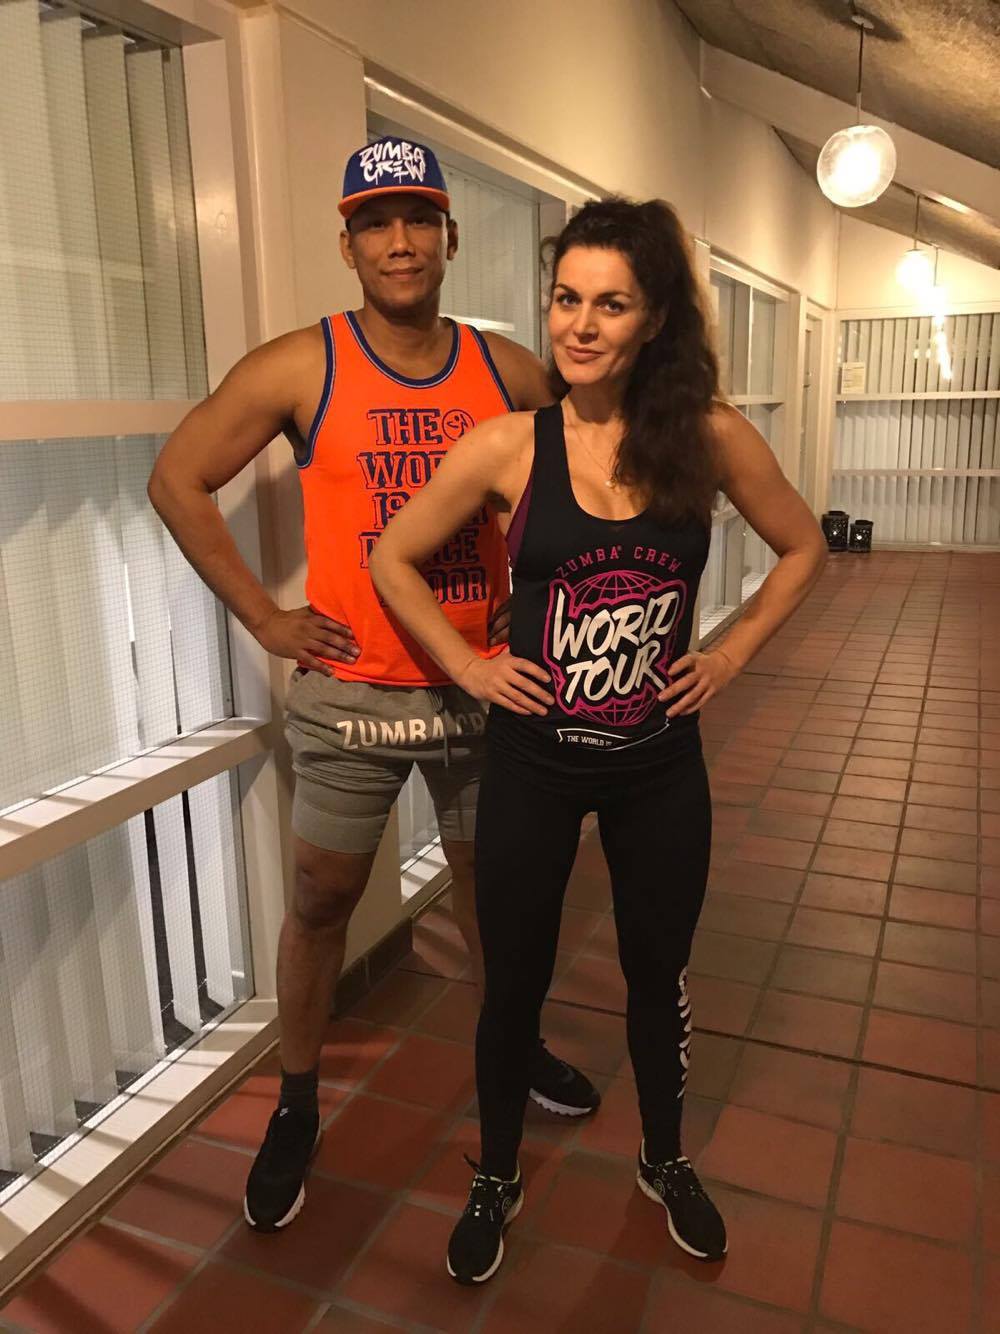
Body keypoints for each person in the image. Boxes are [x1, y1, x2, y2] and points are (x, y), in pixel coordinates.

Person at [371, 196, 828, 1283]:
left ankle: (663, 1159)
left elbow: (803, 545)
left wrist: (729, 655)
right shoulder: (508, 445)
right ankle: (496, 1174)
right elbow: (392, 557)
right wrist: (471, 666)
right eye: (565, 298)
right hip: (532, 767)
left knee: (656, 972)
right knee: (512, 984)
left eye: (610, 304)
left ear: (654, 316)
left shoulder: (708, 436)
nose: (579, 325)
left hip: (657, 770)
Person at [147, 135, 599, 1235]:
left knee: (498, 901)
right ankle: (297, 1101)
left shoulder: (504, 370)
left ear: (449, 236)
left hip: (485, 689)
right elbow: (177, 477)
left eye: (417, 220)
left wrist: (545, 603)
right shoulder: (301, 367)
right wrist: (264, 617)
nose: (399, 241)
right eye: (375, 223)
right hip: (353, 695)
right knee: (319, 903)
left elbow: (593, 472)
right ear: (347, 244)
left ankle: (515, 1047)